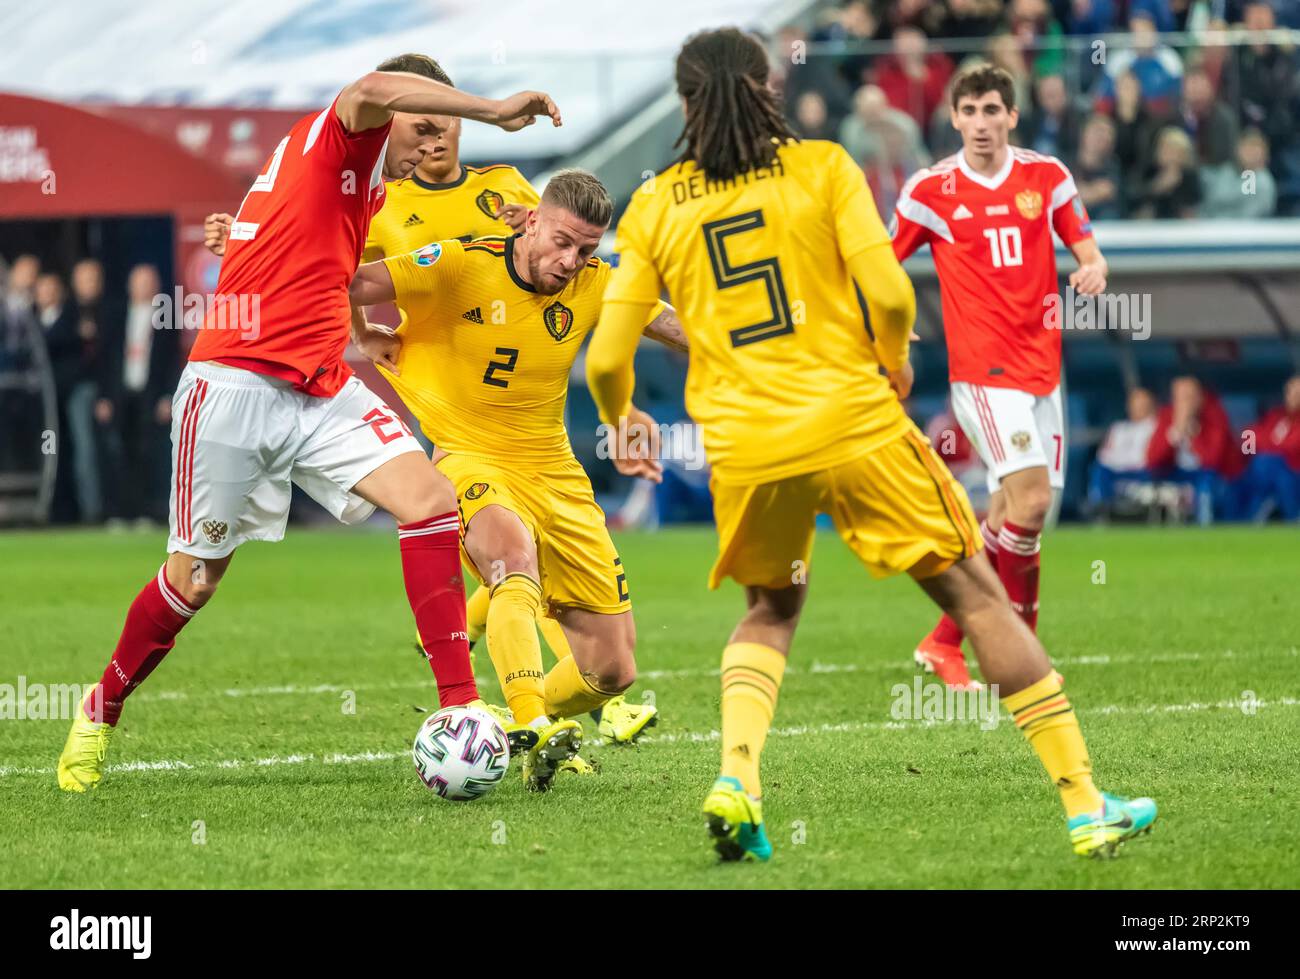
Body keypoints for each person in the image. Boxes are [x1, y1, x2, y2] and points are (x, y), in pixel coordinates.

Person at [588, 28, 1155, 861]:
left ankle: (739, 778)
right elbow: (888, 294)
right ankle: (1083, 803)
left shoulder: (654, 206)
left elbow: (607, 351)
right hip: (853, 418)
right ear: (767, 89)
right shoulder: (821, 167)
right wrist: (892, 362)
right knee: (977, 598)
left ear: (684, 105)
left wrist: (622, 414)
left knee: (770, 610)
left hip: (747, 443)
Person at [56, 56, 562, 793]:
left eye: (443, 128)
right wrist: (493, 109)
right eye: (422, 122)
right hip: (233, 385)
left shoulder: (366, 179)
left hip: (321, 385)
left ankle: (461, 706)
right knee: (193, 581)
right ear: (394, 113)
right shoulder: (346, 130)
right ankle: (99, 710)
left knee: (429, 501)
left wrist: (363, 325)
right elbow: (370, 89)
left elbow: (334, 254)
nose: (431, 140)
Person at [349, 169, 683, 788]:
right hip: (470, 457)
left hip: (555, 471)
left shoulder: (594, 283)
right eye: (562, 241)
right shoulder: (455, 265)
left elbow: (673, 324)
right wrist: (360, 330)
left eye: (586, 249)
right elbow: (350, 276)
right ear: (532, 219)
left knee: (613, 671)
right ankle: (530, 718)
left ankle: (509, 727)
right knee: (510, 558)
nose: (570, 260)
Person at [891, 63, 1109, 692]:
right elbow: (880, 261)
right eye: (969, 112)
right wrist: (890, 317)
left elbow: (1088, 247)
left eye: (992, 111)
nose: (981, 124)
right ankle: (1022, 655)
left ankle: (944, 642)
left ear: (1012, 116)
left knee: (1019, 514)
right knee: (1034, 501)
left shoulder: (1048, 177)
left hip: (1044, 371)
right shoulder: (930, 190)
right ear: (953, 118)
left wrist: (1094, 271)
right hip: (983, 373)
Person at [99, 264, 180, 524]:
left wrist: (169, 396)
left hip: (151, 395)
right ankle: (120, 512)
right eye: (139, 282)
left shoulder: (166, 318)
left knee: (149, 453)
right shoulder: (115, 315)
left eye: (149, 282)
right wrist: (104, 396)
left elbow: (172, 361)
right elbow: (105, 360)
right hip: (121, 394)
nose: (144, 287)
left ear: (157, 287)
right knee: (119, 452)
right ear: (129, 286)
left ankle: (148, 511)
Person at [1146, 375, 1235, 524]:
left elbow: (1212, 460)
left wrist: (1194, 433)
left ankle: (1205, 525)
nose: (1185, 403)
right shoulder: (1166, 416)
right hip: (1174, 473)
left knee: (1207, 481)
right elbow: (1153, 459)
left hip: (1205, 475)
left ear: (1200, 397)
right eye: (1180, 398)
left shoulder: (1215, 416)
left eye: (1189, 397)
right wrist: (1176, 431)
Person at [1087, 386, 1158, 514]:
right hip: (1116, 472)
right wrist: (1120, 461)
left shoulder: (1154, 427)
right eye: (1135, 403)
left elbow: (1143, 458)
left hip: (1142, 473)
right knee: (1099, 470)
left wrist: (1119, 459)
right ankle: (1100, 510)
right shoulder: (1118, 428)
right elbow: (1104, 456)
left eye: (1143, 403)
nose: (1139, 407)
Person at [1239, 375, 1300, 521]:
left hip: (1294, 471)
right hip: (1268, 472)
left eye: (1298, 393)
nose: (1294, 397)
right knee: (1260, 467)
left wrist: (1268, 446)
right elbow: (1248, 434)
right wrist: (1272, 446)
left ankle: (1259, 515)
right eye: (1291, 392)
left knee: (1270, 466)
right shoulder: (1276, 415)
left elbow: (1293, 447)